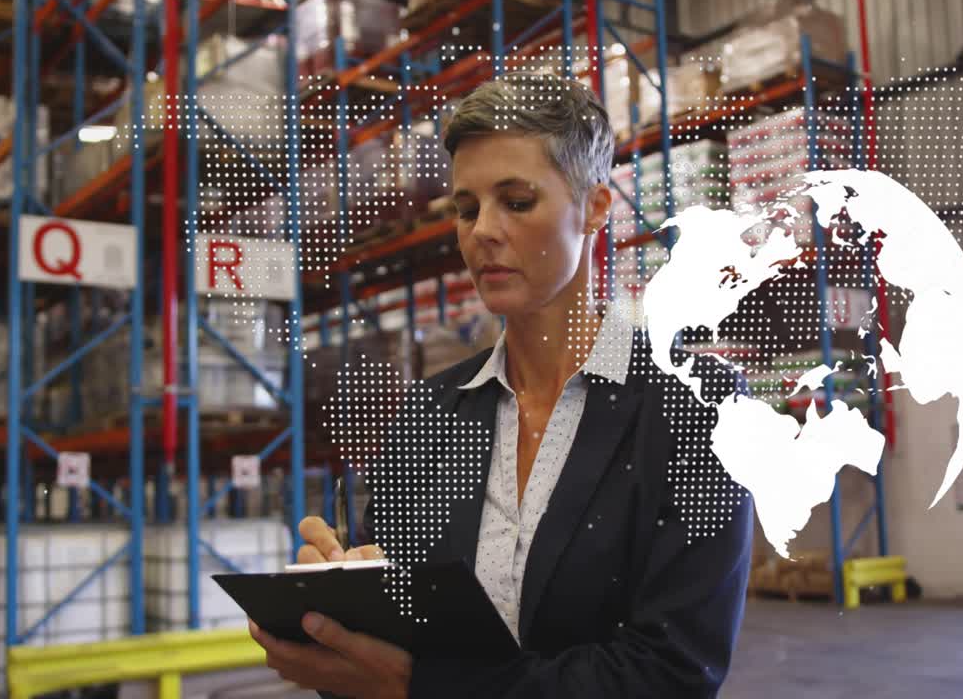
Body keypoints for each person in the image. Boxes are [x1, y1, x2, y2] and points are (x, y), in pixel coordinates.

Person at [249, 71, 754, 698]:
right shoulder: (426, 414)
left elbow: (670, 675)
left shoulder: (700, 408)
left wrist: (421, 688)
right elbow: (388, 647)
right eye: (467, 209)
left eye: (516, 202)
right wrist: (336, 611)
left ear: (595, 208)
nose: (481, 230)